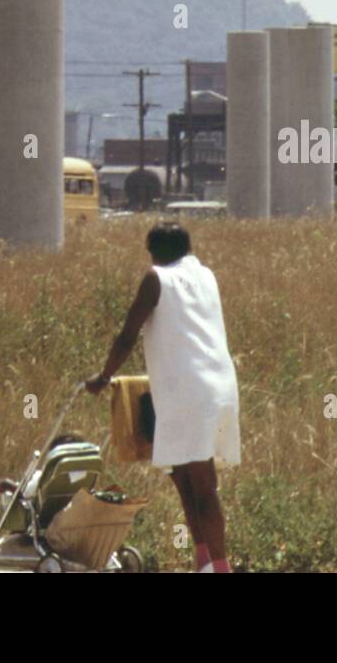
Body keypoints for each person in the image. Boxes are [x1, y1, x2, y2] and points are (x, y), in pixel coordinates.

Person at [86, 222, 240, 573]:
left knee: (202, 487)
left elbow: (127, 336)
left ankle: (219, 567)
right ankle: (203, 561)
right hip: (215, 388)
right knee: (182, 477)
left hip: (189, 392)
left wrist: (103, 376)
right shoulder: (206, 275)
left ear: (155, 251)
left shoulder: (156, 279)